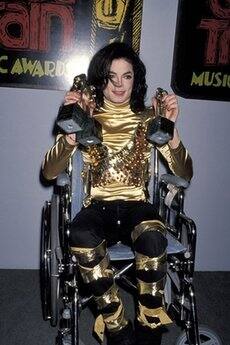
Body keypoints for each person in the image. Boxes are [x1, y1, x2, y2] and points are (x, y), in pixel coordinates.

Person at [42, 42, 193, 345]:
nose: (120, 85)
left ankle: (150, 326)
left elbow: (185, 174)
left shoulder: (150, 117)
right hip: (98, 206)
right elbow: (48, 172)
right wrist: (70, 135)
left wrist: (172, 130)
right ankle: (116, 325)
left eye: (127, 76)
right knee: (80, 233)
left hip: (138, 206)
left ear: (136, 79)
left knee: (153, 237)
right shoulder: (86, 115)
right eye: (112, 77)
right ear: (100, 80)